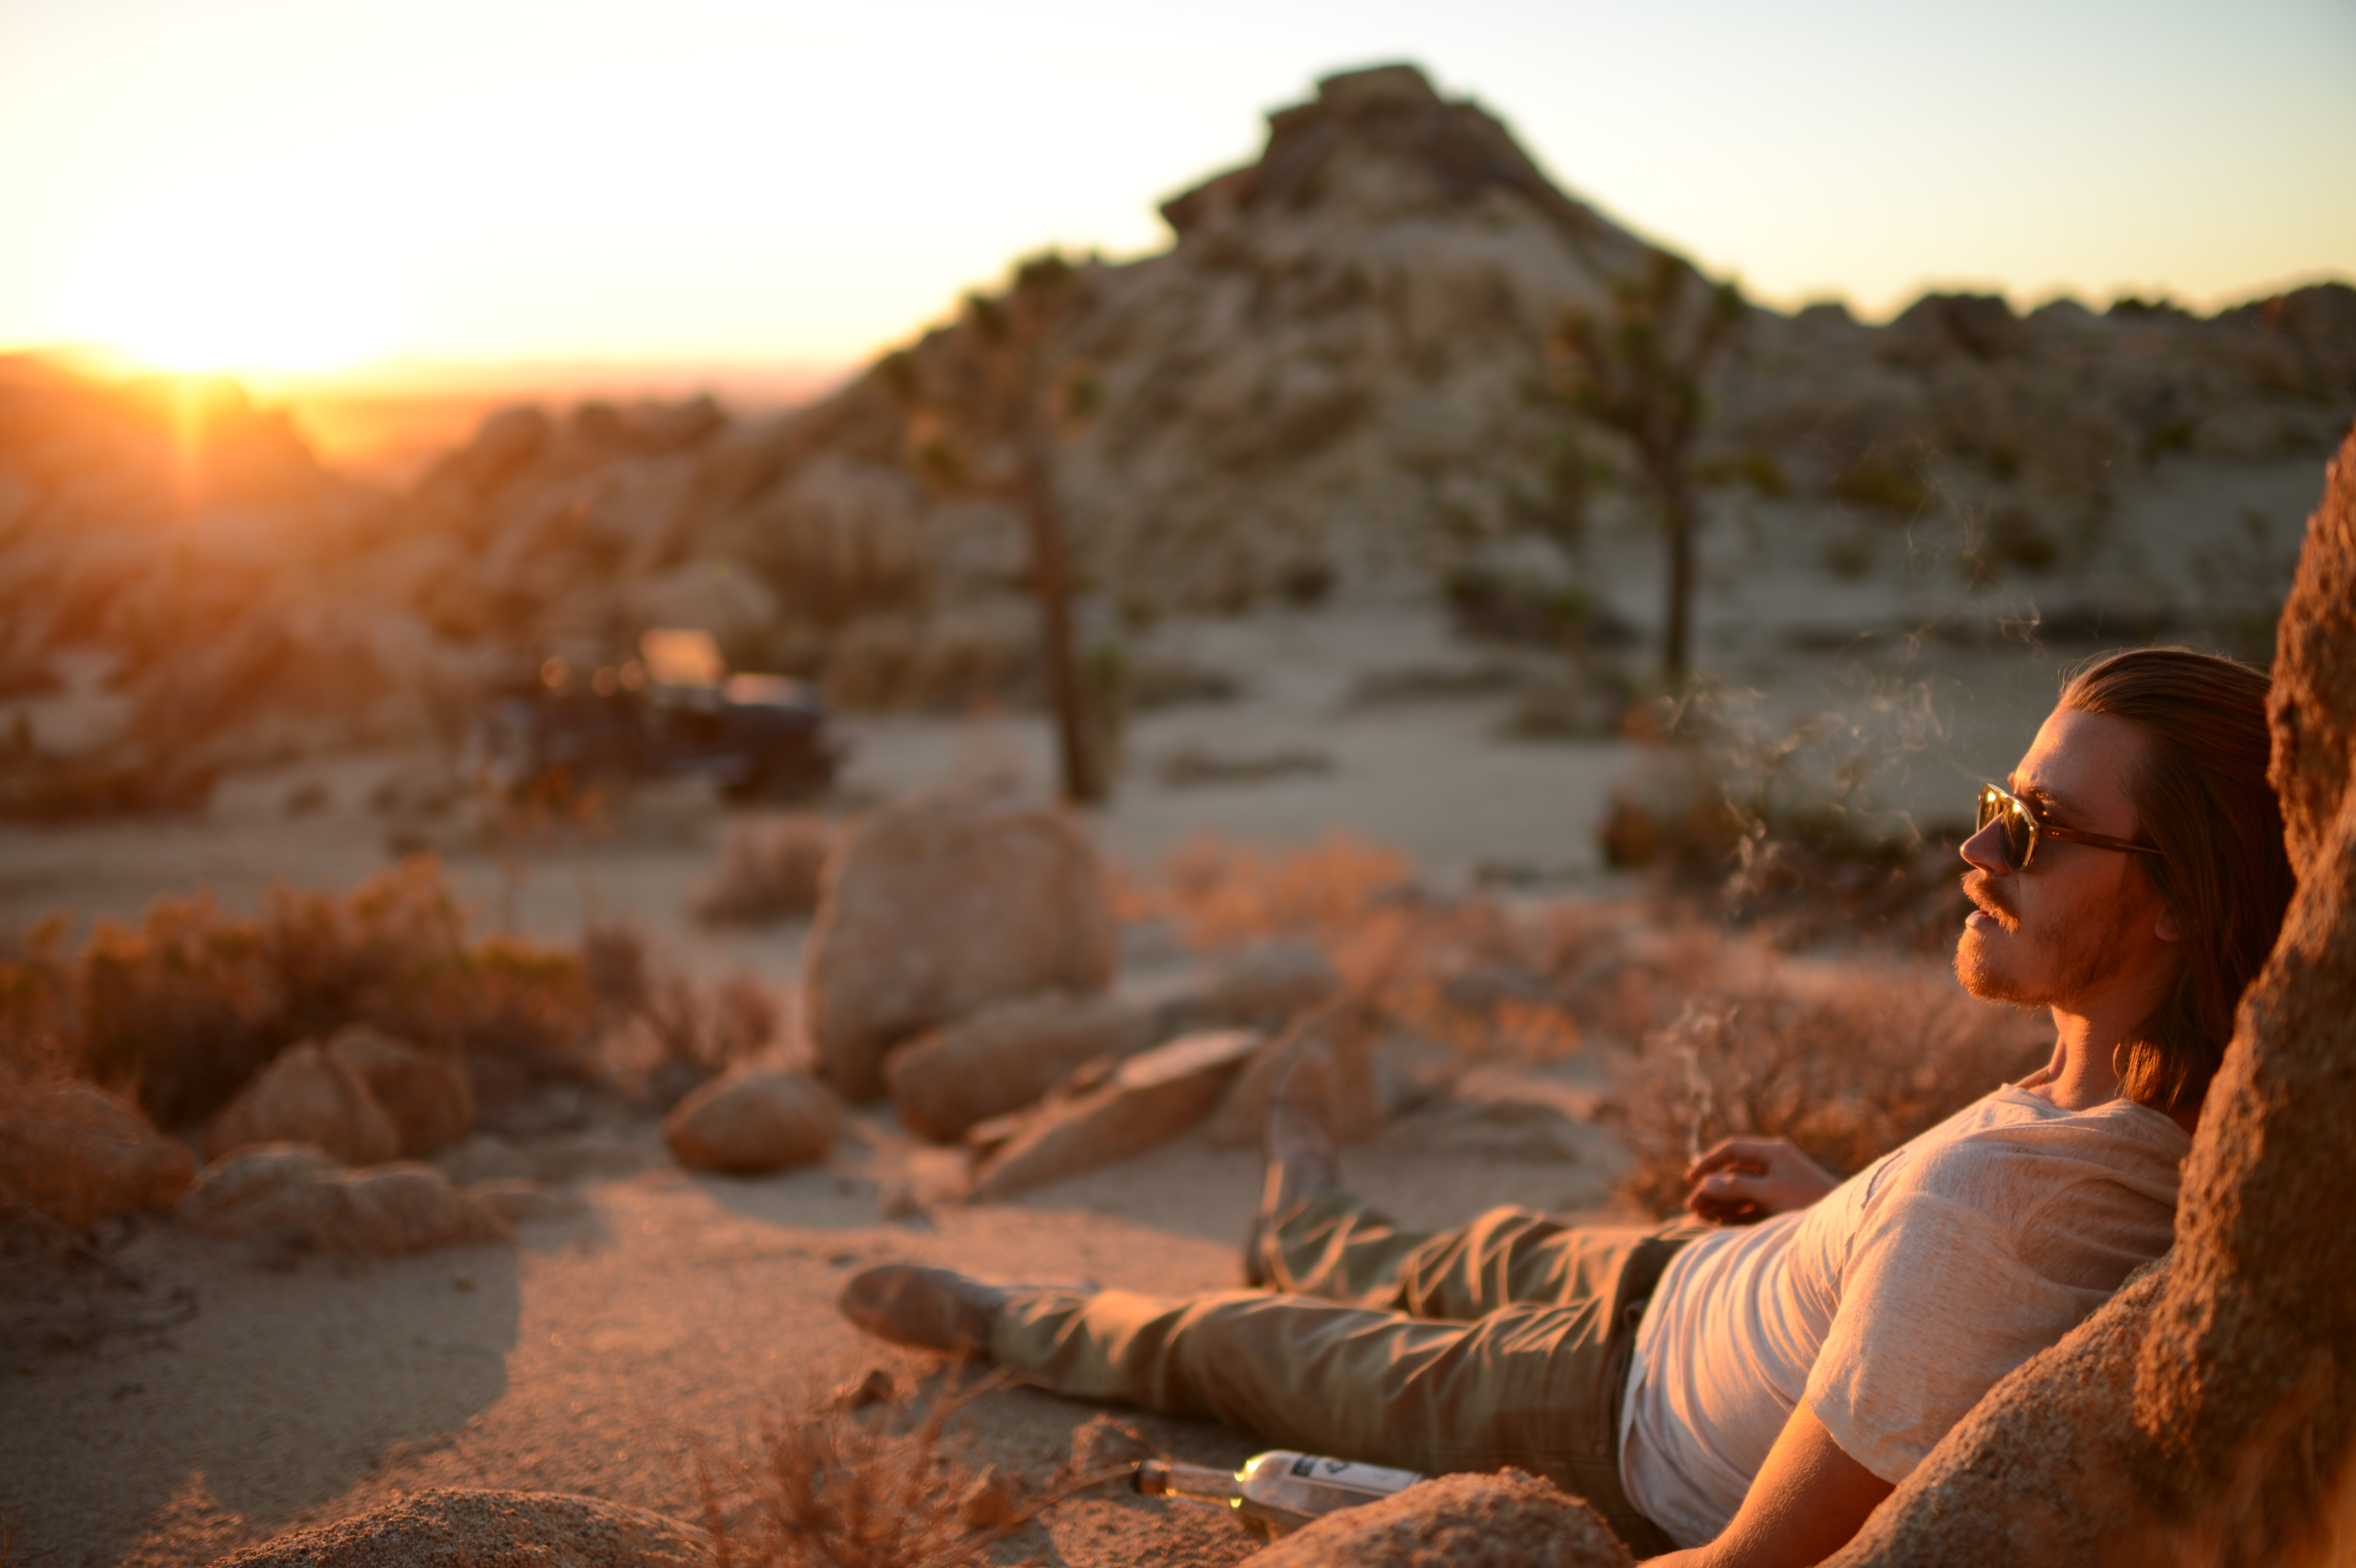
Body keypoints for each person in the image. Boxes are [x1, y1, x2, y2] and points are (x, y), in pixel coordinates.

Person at [838, 647, 2294, 1567]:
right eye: (1999, 795)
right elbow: (1941, 1252)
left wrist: (1441, 1543)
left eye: (2035, 829)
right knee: (1449, 1246)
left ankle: (1001, 1314)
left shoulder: (2012, 1218)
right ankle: (1313, 1214)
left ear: (2174, 899)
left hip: (1594, 1412)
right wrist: (1840, 1207)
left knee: (1233, 1350)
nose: (1978, 844)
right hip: (1679, 1278)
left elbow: (1746, 1565)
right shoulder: (2100, 1091)